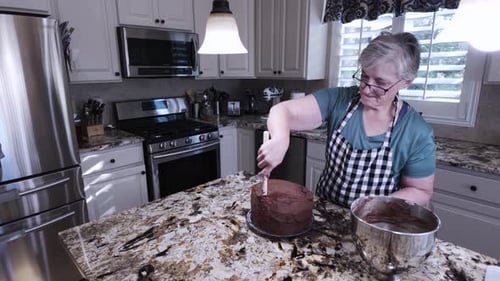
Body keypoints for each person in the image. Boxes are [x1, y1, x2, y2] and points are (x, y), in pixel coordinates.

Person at [256, 32, 435, 207]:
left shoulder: (416, 131)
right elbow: (282, 110)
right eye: (364, 76)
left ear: (406, 82)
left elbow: (420, 190)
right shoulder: (340, 99)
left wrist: (379, 206)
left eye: (380, 83)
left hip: (374, 222)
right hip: (325, 213)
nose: (365, 89)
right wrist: (280, 139)